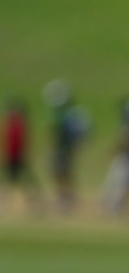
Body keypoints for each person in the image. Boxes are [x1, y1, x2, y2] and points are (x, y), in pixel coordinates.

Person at [43, 79, 90, 211]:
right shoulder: (68, 113)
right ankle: (65, 198)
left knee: (63, 174)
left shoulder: (66, 115)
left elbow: (57, 134)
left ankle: (67, 199)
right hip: (64, 150)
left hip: (63, 150)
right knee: (62, 174)